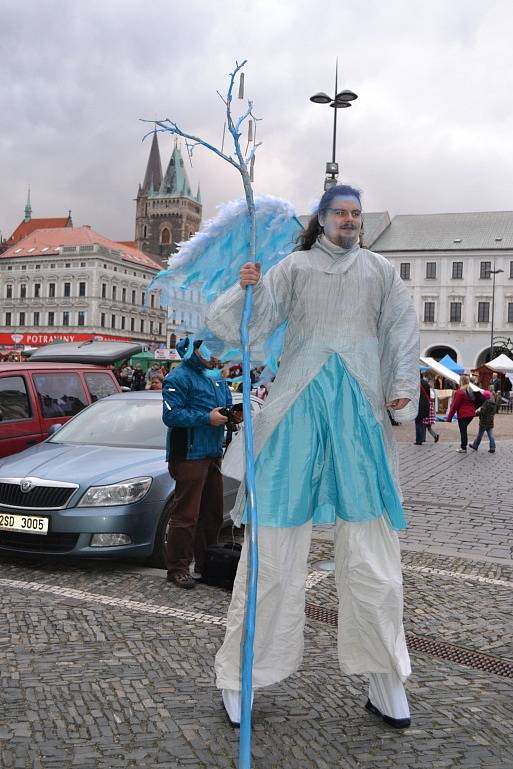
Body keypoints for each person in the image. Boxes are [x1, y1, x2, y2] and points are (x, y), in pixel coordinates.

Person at [206, 184, 419, 729]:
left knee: (374, 558)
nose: (349, 220)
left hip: (359, 418)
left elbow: (400, 329)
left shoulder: (380, 271)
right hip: (296, 410)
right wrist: (244, 289)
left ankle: (385, 675)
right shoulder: (293, 268)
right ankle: (243, 674)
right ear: (321, 219)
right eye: (339, 212)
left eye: (355, 213)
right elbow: (239, 329)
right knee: (271, 555)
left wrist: (399, 385)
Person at [161, 338, 234, 589]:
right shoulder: (178, 377)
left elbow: (224, 405)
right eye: (210, 353)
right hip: (189, 454)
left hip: (212, 452)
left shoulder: (215, 377)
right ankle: (178, 568)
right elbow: (170, 415)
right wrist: (206, 418)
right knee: (186, 516)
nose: (215, 357)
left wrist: (231, 415)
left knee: (212, 515)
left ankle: (206, 565)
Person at [446, 375, 476, 453]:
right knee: (464, 430)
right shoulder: (470, 390)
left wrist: (449, 418)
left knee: (463, 431)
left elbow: (455, 406)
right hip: (471, 414)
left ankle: (463, 448)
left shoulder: (460, 392)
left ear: (461, 382)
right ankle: (464, 446)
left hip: (463, 414)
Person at [414, 374, 431, 445]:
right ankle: (422, 438)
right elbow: (429, 394)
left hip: (419, 404)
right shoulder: (425, 382)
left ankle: (419, 440)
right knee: (422, 422)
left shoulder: (415, 383)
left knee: (418, 422)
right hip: (426, 404)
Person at [422, 378, 439, 443]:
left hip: (428, 408)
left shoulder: (430, 391)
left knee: (425, 425)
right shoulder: (432, 390)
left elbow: (431, 398)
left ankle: (425, 438)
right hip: (430, 408)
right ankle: (434, 436)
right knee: (427, 426)